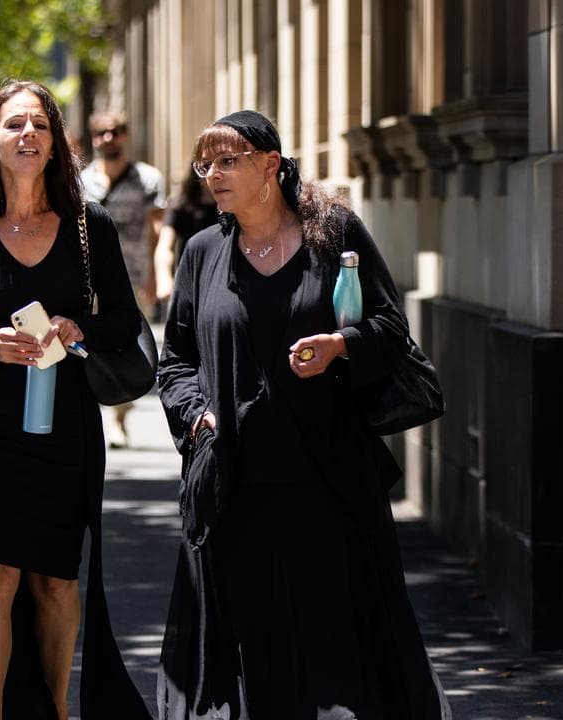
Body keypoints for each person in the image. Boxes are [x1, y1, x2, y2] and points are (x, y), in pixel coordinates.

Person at [155, 110, 450, 719]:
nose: (214, 174)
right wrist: (198, 418)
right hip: (234, 489)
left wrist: (342, 348)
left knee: (337, 655)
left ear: (270, 165)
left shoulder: (332, 233)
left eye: (229, 160)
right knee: (248, 656)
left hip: (329, 485)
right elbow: (175, 361)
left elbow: (391, 328)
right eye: (205, 163)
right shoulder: (203, 253)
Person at [0, 80, 151, 720]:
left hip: (64, 428)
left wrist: (78, 329)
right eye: (14, 125)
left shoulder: (87, 226)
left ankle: (56, 710)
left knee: (55, 582)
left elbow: (125, 320)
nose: (28, 135)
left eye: (39, 125)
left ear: (56, 141)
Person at [79, 110, 165, 448]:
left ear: (125, 136)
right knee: (90, 343)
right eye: (101, 133)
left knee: (123, 345)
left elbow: (157, 229)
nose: (108, 138)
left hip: (133, 275)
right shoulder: (81, 181)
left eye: (115, 132)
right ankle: (99, 410)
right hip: (87, 278)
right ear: (93, 138)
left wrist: (157, 274)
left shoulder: (147, 178)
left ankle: (118, 418)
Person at [153, 163, 218, 311]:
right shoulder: (181, 206)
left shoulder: (231, 207)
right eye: (205, 167)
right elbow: (165, 246)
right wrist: (164, 277)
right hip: (190, 283)